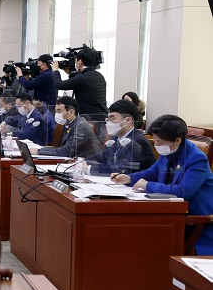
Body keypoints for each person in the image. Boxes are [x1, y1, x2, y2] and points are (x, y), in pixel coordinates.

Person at [112, 114, 213, 255]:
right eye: (155, 141)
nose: (157, 146)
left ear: (177, 140)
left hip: (195, 221)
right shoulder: (170, 151)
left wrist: (148, 186)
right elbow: (152, 173)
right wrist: (129, 178)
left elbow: (183, 192)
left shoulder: (196, 159)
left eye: (160, 142)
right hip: (172, 212)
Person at [88, 100, 155, 174]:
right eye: (108, 119)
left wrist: (90, 168)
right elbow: (100, 158)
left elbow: (123, 169)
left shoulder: (139, 141)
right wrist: (82, 162)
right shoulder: (114, 139)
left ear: (128, 120)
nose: (108, 123)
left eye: (112, 118)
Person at [51, 48, 108, 123]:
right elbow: (80, 83)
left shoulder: (82, 78)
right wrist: (70, 73)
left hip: (91, 120)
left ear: (80, 62)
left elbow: (59, 85)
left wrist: (55, 71)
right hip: (101, 117)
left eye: (76, 59)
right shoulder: (99, 76)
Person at [35, 96, 100, 158]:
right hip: (73, 159)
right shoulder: (68, 123)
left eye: (59, 111)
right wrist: (40, 149)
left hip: (90, 162)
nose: (56, 114)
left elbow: (67, 151)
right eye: (56, 111)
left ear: (71, 112)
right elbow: (63, 148)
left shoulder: (81, 126)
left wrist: (39, 151)